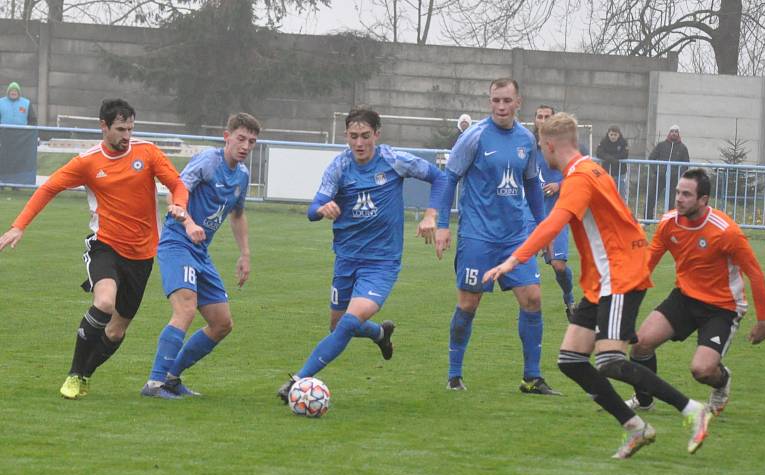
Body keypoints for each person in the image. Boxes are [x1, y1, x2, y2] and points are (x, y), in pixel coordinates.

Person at [484, 113, 713, 459]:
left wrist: (513, 260)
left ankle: (691, 409)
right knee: (571, 360)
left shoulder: (579, 179)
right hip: (602, 280)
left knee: (608, 360)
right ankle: (637, 428)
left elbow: (555, 222)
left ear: (548, 145)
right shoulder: (589, 169)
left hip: (618, 276)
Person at [0, 98, 189, 399]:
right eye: (120, 129)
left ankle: (85, 375)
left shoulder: (147, 153)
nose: (126, 136)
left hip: (142, 255)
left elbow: (178, 185)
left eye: (130, 128)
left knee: (116, 331)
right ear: (103, 126)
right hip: (106, 246)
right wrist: (19, 224)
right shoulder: (87, 162)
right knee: (104, 302)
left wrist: (179, 205)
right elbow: (50, 188)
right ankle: (74, 373)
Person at [277, 107, 446, 402]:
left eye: (365, 136)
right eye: (353, 136)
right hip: (346, 259)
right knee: (337, 325)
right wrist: (322, 208)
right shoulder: (339, 167)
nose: (359, 143)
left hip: (381, 263)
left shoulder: (393, 160)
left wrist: (431, 215)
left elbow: (439, 178)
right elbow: (312, 210)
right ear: (346, 136)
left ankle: (299, 379)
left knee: (346, 324)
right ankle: (380, 334)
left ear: (376, 135)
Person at [435, 79, 558, 395]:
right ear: (490, 102)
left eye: (506, 101)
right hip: (478, 235)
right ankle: (453, 374)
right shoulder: (473, 137)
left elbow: (531, 184)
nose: (500, 107)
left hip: (516, 234)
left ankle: (531, 378)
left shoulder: (526, 139)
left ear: (519, 101)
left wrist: (543, 228)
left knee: (532, 299)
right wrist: (442, 223)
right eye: (495, 101)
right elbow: (449, 178)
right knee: (469, 303)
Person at [626, 168, 765, 415]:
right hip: (684, 297)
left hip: (722, 307)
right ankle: (645, 399)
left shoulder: (726, 231)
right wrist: (623, 303)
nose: (679, 199)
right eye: (678, 192)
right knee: (640, 345)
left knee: (701, 370)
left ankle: (721, 380)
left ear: (703, 200)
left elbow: (755, 273)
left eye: (687, 194)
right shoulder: (668, 223)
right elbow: (647, 264)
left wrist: (763, 321)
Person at [141, 113, 261, 399]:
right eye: (241, 138)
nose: (245, 146)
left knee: (222, 323)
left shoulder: (242, 176)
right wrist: (188, 222)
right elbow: (176, 192)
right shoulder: (208, 161)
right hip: (177, 243)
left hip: (200, 252)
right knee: (185, 309)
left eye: (252, 142)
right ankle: (155, 383)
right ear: (226, 136)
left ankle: (171, 379)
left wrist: (245, 254)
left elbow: (238, 214)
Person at [533, 104, 575, 317]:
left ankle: (569, 297)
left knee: (558, 266)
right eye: (539, 116)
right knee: (522, 266)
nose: (542, 120)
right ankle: (528, 307)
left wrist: (559, 186)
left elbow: (578, 178)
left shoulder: (564, 149)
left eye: (547, 116)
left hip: (556, 214)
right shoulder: (527, 147)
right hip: (531, 216)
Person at [647, 125, 690, 219]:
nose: (674, 133)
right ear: (669, 133)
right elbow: (651, 159)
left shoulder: (683, 148)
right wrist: (657, 170)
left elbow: (686, 163)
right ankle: (647, 220)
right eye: (672, 131)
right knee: (651, 196)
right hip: (659, 176)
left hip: (674, 179)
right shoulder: (661, 145)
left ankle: (670, 220)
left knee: (672, 201)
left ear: (678, 134)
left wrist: (678, 173)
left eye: (676, 131)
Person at [596, 125, 629, 198]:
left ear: (619, 135)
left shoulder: (623, 142)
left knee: (621, 194)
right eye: (611, 134)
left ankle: (621, 209)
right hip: (606, 172)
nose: (613, 137)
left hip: (620, 172)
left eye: (615, 135)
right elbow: (598, 152)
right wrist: (608, 158)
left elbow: (625, 154)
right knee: (605, 195)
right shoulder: (604, 141)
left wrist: (613, 158)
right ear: (608, 134)